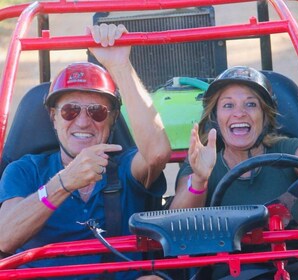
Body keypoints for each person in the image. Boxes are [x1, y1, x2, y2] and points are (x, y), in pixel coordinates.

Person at [0, 23, 171, 280]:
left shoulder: (124, 168)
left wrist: (120, 66)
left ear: (112, 119)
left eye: (97, 112)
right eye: (70, 111)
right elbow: (4, 238)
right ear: (53, 117)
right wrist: (65, 182)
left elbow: (157, 154)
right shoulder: (25, 170)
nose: (82, 122)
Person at [169, 66, 298, 279]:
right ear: (215, 117)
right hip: (233, 272)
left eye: (250, 104)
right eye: (228, 105)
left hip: (296, 268)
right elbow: (176, 225)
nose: (239, 112)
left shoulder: (290, 149)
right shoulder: (203, 162)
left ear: (265, 115)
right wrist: (200, 180)